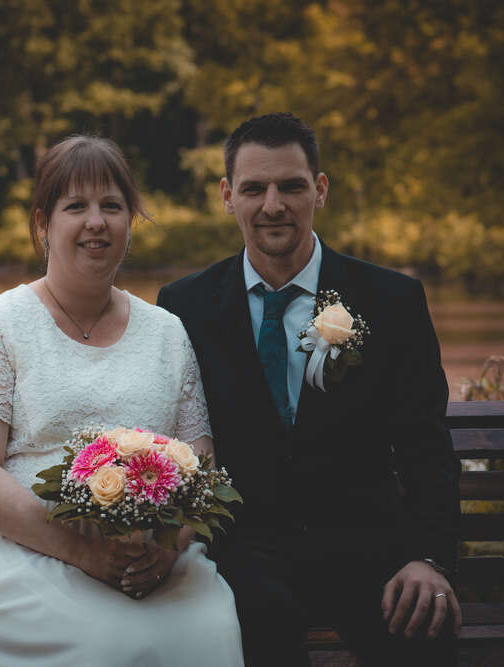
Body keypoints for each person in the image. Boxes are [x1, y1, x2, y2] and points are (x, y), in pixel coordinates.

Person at [0, 135, 244, 666]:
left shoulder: (167, 333)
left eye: (112, 206)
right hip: (15, 551)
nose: (97, 222)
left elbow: (201, 468)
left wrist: (167, 549)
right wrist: (81, 551)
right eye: (77, 207)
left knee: (211, 629)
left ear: (130, 222)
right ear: (44, 223)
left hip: (145, 552)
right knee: (108, 645)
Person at [157, 112, 462, 666]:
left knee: (425, 632)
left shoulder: (391, 300)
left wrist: (428, 558)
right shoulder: (185, 307)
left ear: (319, 189)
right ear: (228, 195)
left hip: (368, 551)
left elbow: (426, 447)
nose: (273, 205)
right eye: (254, 188)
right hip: (243, 557)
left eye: (291, 186)